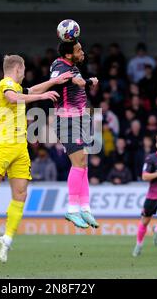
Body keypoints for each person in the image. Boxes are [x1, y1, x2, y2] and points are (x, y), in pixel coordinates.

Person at [0, 54, 71, 263]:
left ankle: (7, 238)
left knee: (21, 193)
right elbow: (14, 98)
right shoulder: (5, 84)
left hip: (20, 147)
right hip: (3, 145)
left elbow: (30, 91)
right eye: (24, 68)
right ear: (17, 68)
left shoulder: (17, 87)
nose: (25, 73)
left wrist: (53, 82)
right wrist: (42, 98)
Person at [49, 40, 99, 229]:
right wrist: (90, 82)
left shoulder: (59, 64)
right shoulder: (68, 69)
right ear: (69, 54)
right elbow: (78, 81)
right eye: (79, 50)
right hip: (68, 121)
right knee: (78, 164)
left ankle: (84, 207)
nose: (83, 52)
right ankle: (72, 209)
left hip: (79, 120)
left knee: (83, 164)